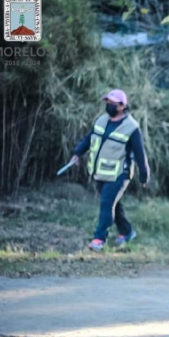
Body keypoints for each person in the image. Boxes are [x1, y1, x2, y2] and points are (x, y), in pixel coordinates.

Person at [71, 89, 150, 251]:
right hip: (100, 172)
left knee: (106, 204)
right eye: (107, 102)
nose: (108, 106)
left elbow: (140, 154)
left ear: (122, 106)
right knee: (114, 204)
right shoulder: (101, 120)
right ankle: (127, 232)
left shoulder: (131, 127)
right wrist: (77, 153)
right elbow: (89, 138)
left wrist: (144, 176)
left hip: (120, 174)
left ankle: (99, 239)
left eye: (112, 103)